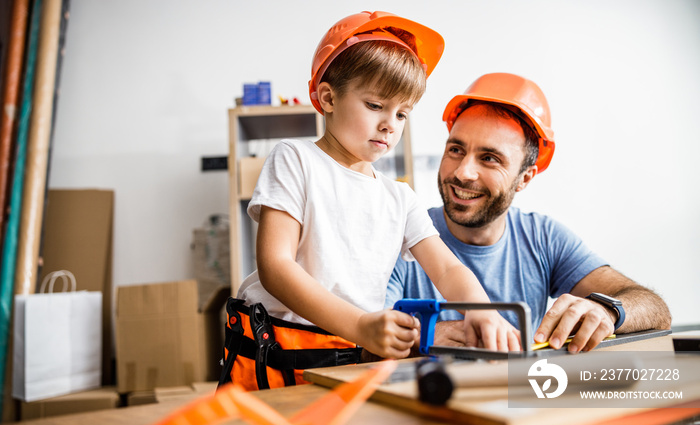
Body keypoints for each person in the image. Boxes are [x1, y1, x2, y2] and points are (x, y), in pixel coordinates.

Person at [219, 12, 513, 392]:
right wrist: (360, 324)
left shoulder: (399, 196)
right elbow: (275, 266)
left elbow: (446, 271)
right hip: (275, 350)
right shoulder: (295, 159)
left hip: (353, 353)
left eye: (402, 113)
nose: (390, 123)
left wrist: (482, 310)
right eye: (376, 105)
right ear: (328, 98)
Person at [385, 72, 671, 354]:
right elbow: (352, 339)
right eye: (456, 149)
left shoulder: (543, 239)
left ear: (525, 178)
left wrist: (606, 312)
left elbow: (654, 309)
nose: (463, 172)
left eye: (489, 158)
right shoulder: (401, 234)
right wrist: (422, 335)